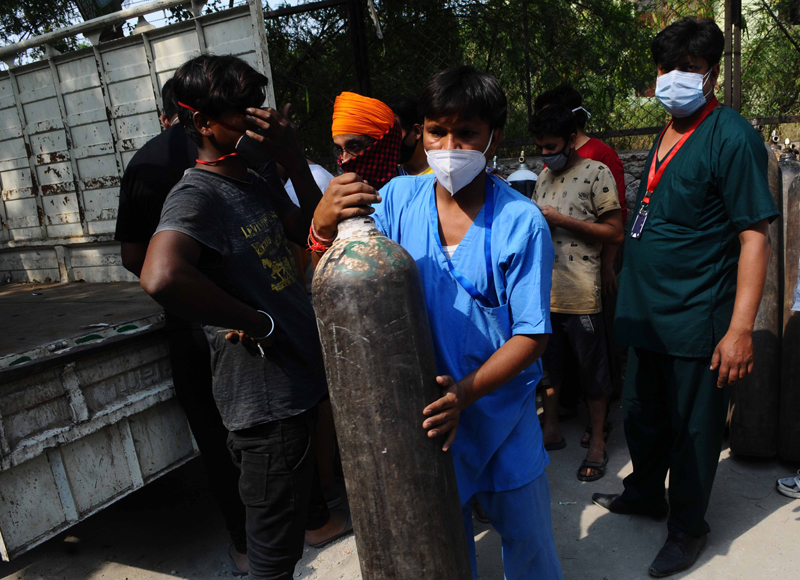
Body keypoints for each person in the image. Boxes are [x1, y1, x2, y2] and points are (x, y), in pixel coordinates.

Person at [313, 65, 563, 580]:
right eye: (437, 131)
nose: (450, 146)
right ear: (420, 133)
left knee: (529, 543)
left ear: (493, 137)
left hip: (500, 413)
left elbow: (532, 335)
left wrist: (464, 395)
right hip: (427, 418)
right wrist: (320, 225)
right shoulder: (396, 200)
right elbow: (345, 278)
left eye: (466, 132)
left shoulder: (521, 222)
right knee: (442, 545)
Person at [139, 54, 351, 580]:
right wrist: (258, 322)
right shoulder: (198, 193)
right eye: (244, 112)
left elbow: (314, 232)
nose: (260, 120)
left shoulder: (252, 179)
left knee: (287, 544)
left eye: (260, 106)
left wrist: (294, 159)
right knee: (272, 559)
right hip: (265, 403)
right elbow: (160, 275)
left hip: (295, 388)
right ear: (203, 123)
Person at [592, 18, 778, 578]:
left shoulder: (731, 137)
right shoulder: (669, 130)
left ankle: (688, 528)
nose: (675, 78)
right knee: (642, 414)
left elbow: (753, 238)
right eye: (666, 68)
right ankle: (646, 493)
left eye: (689, 69)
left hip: (697, 314)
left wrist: (740, 329)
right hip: (646, 312)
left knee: (694, 430)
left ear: (712, 73)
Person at [114, 79, 249, 575]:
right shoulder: (234, 150)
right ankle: (307, 518)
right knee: (266, 425)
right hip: (246, 311)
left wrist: (181, 285)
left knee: (213, 434)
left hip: (190, 320)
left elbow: (137, 259)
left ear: (165, 113)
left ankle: (245, 545)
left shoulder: (146, 162)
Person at [530, 104, 624, 481]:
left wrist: (562, 220)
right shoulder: (542, 177)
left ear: (571, 140)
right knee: (549, 369)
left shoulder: (596, 172)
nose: (545, 154)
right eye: (540, 147)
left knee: (594, 372)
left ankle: (598, 441)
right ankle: (550, 429)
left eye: (551, 147)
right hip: (546, 295)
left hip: (582, 293)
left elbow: (615, 232)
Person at [331, 91, 401, 189]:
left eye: (354, 147)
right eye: (340, 150)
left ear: (384, 145)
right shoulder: (340, 195)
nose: (345, 160)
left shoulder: (416, 192)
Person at [386, 92, 433, 176]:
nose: (388, 141)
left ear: (416, 131)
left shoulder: (440, 174)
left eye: (394, 134)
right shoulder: (389, 174)